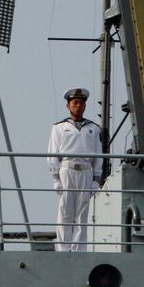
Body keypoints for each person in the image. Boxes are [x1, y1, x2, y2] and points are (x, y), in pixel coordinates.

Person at [46, 87, 101, 252]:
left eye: (82, 103)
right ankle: (63, 248)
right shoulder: (59, 127)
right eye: (75, 103)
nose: (78, 106)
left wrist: (96, 179)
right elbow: (52, 153)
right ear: (68, 106)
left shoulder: (93, 128)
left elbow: (98, 155)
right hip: (67, 168)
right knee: (65, 211)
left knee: (82, 213)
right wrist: (55, 178)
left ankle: (78, 249)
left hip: (86, 170)